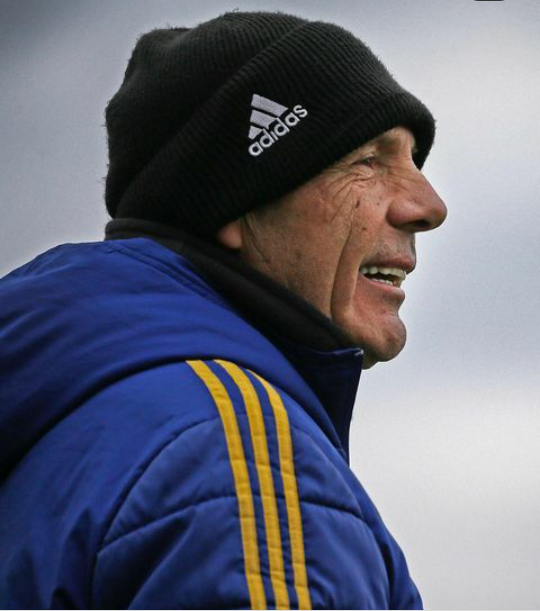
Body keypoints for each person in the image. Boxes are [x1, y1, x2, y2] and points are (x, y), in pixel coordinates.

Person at [0, 10, 447, 609]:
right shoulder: (245, 465)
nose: (429, 205)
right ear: (231, 204)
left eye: (415, 161)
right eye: (367, 159)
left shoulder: (63, 428)